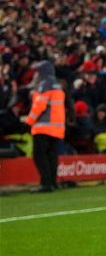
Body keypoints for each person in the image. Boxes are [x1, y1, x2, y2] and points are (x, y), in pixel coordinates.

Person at [24, 60, 65, 192]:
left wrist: (28, 121)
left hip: (43, 127)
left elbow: (40, 105)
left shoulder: (43, 84)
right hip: (57, 128)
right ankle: (53, 182)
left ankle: (46, 184)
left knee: (40, 156)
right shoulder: (57, 84)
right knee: (52, 157)